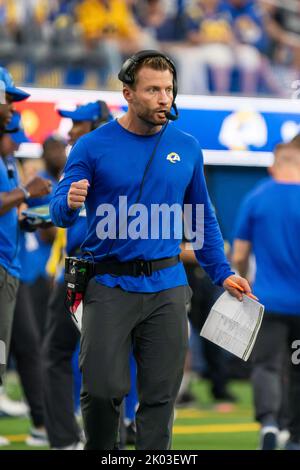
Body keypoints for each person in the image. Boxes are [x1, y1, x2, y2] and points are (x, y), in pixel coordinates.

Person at [50, 50, 252, 450]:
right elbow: (59, 212)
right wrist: (70, 202)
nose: (164, 98)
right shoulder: (91, 146)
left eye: (169, 89)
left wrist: (222, 271)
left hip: (168, 286)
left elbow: (201, 219)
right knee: (104, 390)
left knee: (160, 398)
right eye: (153, 90)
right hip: (107, 284)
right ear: (128, 93)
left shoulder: (188, 147)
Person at [43, 100, 112, 450]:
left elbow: (68, 223)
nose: (71, 131)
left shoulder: (87, 159)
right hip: (109, 269)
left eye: (78, 124)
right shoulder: (124, 154)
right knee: (105, 355)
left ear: (97, 124)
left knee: (58, 353)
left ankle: (66, 439)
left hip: (82, 269)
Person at [232, 141, 300, 450]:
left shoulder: (256, 198)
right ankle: (294, 435)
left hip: (267, 302)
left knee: (267, 366)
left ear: (274, 165)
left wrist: (242, 282)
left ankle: (270, 424)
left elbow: (240, 254)